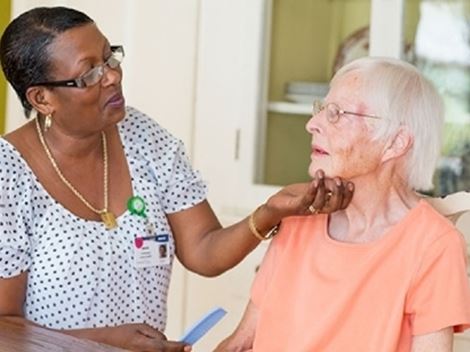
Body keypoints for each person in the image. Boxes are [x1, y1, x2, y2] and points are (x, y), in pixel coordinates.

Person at [0, 7, 354, 352]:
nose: (112, 76)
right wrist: (102, 343)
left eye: (110, 58)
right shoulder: (9, 175)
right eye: (89, 73)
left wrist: (270, 212)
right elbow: (4, 323)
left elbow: (203, 249)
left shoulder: (144, 139)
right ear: (42, 98)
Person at [216, 57, 470, 352]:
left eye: (336, 114)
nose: (312, 124)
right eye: (322, 110)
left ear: (395, 143)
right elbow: (240, 343)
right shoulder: (299, 218)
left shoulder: (433, 244)